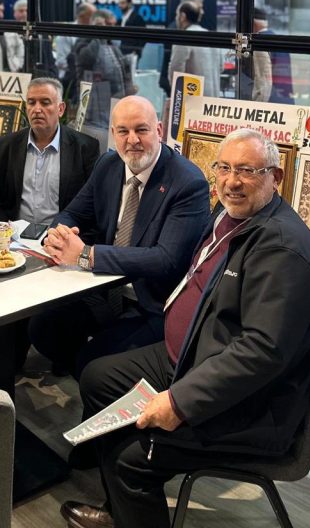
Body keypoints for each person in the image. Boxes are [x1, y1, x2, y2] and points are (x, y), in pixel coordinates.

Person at [62, 129, 310, 528]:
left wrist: (180, 402)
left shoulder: (282, 249)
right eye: (224, 168)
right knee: (97, 377)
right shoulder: (232, 215)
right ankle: (121, 509)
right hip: (190, 355)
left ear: (276, 177)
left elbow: (261, 352)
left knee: (130, 458)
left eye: (247, 171)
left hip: (250, 404)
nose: (231, 181)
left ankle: (128, 496)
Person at [29, 96, 209, 378]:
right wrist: (59, 235)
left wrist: (87, 255)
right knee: (41, 327)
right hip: (101, 289)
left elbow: (166, 260)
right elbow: (72, 213)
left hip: (149, 303)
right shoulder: (108, 164)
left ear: (159, 130)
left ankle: (91, 372)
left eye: (141, 130)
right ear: (113, 134)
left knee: (92, 363)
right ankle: (84, 369)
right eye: (123, 131)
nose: (132, 140)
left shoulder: (187, 182)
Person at [0, 78, 100, 223]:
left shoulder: (85, 148)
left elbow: (91, 204)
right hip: (14, 233)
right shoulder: (5, 146)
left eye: (45, 103)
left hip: (61, 233)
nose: (37, 109)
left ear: (60, 109)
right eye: (31, 103)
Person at [74, 12, 129, 150]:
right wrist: (98, 34)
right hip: (93, 103)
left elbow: (123, 71)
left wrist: (128, 89)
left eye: (113, 25)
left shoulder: (113, 46)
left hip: (114, 100)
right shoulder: (84, 41)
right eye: (108, 25)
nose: (112, 28)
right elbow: (86, 58)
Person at [167, 1, 221, 97]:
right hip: (213, 98)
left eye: (177, 15)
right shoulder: (212, 37)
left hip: (192, 99)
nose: (176, 18)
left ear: (183, 16)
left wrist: (176, 96)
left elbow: (176, 69)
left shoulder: (184, 37)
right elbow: (221, 67)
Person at [253, 6, 294, 103]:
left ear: (253, 24)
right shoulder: (279, 39)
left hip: (270, 103)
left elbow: (262, 80)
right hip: (285, 100)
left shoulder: (258, 43)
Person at [116, 0, 145, 80]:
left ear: (129, 4)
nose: (120, 5)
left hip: (132, 52)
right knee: (122, 76)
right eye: (119, 3)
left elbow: (143, 36)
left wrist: (137, 50)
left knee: (131, 77)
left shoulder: (137, 18)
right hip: (122, 51)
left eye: (123, 3)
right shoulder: (121, 19)